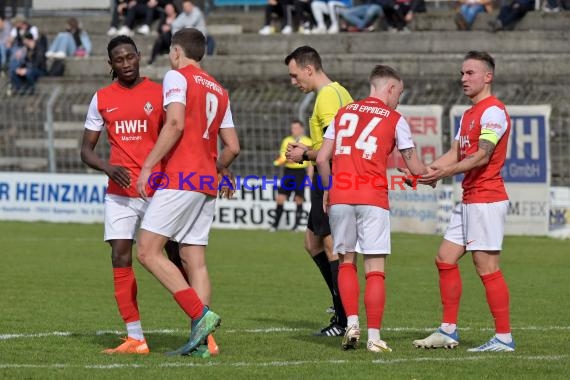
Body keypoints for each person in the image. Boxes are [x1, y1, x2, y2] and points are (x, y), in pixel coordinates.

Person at [135, 27, 240, 356]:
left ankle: (201, 316)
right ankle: (203, 344)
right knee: (194, 260)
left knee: (148, 251)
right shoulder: (220, 90)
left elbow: (176, 123)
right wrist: (219, 167)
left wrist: (149, 165)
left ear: (176, 51)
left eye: (171, 52)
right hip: (207, 180)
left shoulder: (177, 77)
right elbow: (233, 146)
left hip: (182, 177)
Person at [316, 64, 428, 353]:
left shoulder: (343, 113)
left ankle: (351, 323)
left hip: (340, 195)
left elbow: (321, 159)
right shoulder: (394, 118)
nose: (399, 99)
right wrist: (433, 175)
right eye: (399, 93)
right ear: (389, 88)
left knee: (346, 262)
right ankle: (374, 337)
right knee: (375, 270)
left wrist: (329, 189)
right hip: (372, 197)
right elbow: (414, 166)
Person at [412, 51, 514, 352]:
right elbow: (456, 154)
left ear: (488, 76)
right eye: (462, 73)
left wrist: (443, 173)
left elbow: (482, 154)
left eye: (470, 73)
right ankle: (447, 330)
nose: (463, 79)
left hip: (486, 198)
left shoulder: (493, 111)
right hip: (470, 197)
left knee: (487, 267)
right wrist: (423, 173)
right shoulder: (469, 114)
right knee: (444, 258)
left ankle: (504, 337)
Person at [80, 35, 164, 354]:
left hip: (158, 190)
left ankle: (201, 328)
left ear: (139, 56)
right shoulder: (101, 98)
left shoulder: (159, 93)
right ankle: (135, 337)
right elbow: (85, 151)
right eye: (120, 59)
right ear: (111, 64)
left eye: (130, 57)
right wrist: (107, 166)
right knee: (119, 255)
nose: (126, 63)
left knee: (175, 256)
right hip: (119, 194)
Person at [285, 45, 353, 336]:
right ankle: (340, 304)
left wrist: (305, 154)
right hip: (328, 177)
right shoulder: (338, 92)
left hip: (333, 178)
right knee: (313, 243)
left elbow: (334, 148)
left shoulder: (326, 98)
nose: (293, 81)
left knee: (330, 245)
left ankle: (343, 316)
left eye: (294, 74)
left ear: (309, 69)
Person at [271, 119, 312, 232]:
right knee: (280, 198)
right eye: (292, 128)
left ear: (302, 129)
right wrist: (283, 160)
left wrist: (309, 177)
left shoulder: (308, 141)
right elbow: (284, 156)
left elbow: (310, 163)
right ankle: (275, 225)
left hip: (300, 172)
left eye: (296, 128)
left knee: (298, 198)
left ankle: (296, 226)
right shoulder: (287, 140)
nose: (293, 130)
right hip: (288, 172)